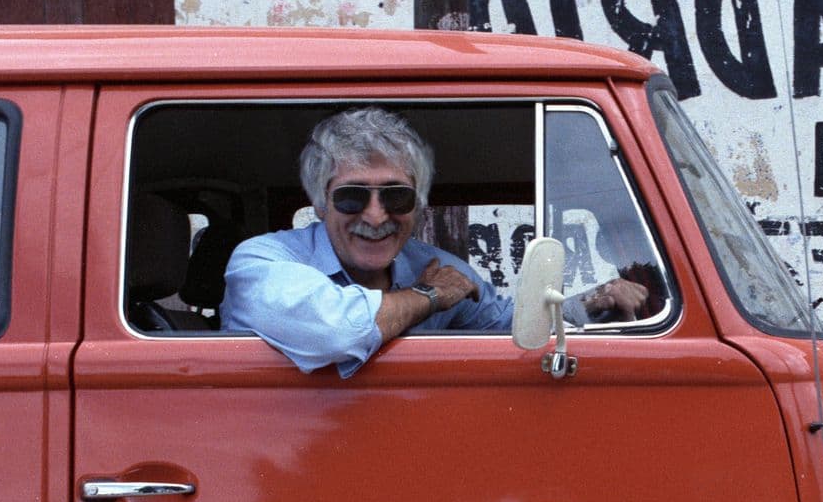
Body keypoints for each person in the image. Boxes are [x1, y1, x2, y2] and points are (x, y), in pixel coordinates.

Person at [223, 106, 646, 377]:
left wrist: (596, 300)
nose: (375, 215)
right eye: (352, 196)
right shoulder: (263, 261)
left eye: (396, 196)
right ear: (319, 203)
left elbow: (508, 325)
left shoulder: (438, 265)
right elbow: (337, 331)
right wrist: (429, 295)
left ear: (418, 205)